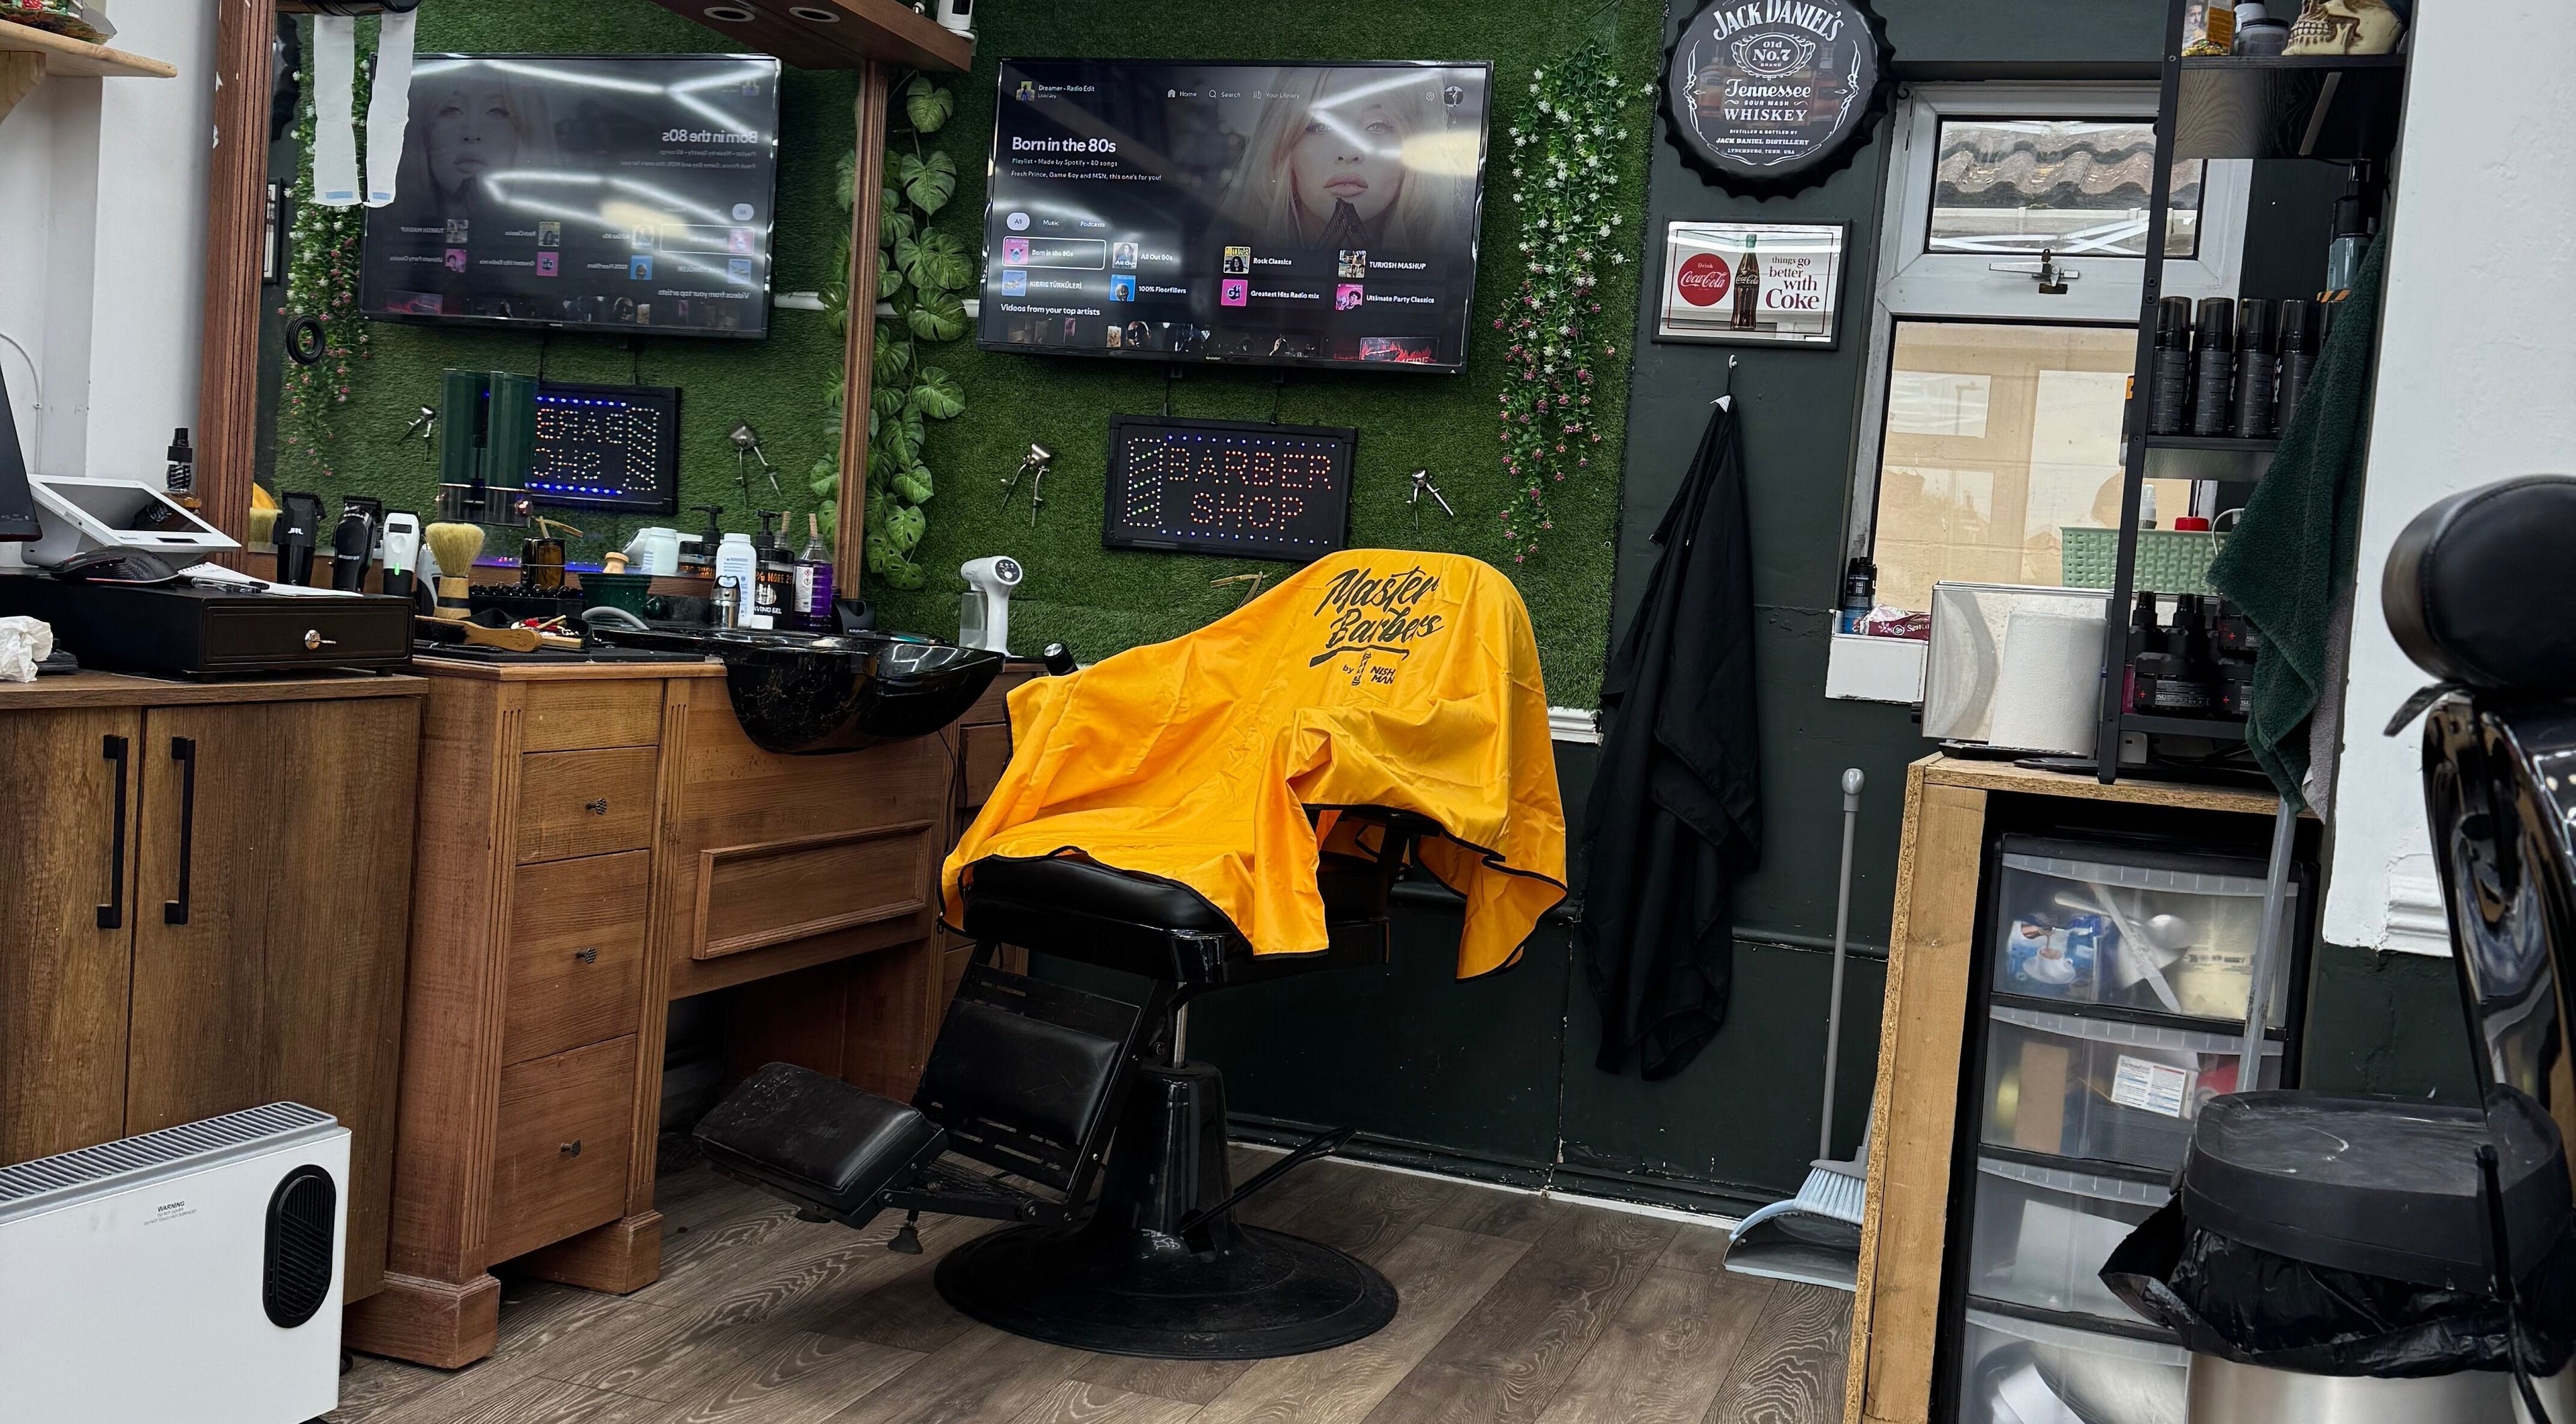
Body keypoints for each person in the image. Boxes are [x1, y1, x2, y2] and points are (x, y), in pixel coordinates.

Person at [1219, 69, 1474, 253]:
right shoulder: (1224, 254)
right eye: (1319, 125)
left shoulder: (1449, 271)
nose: (1349, 152)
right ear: (1283, 143)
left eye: (1378, 125)